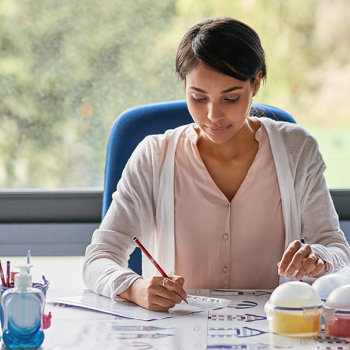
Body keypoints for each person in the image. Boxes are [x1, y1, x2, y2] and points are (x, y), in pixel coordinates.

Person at [83, 17, 350, 311]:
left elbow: (336, 248)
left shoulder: (296, 149)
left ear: (256, 82)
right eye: (198, 97)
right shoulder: (154, 157)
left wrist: (319, 257)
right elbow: (99, 257)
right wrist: (133, 287)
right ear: (184, 86)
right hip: (177, 329)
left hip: (272, 327)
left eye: (231, 98)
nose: (213, 116)